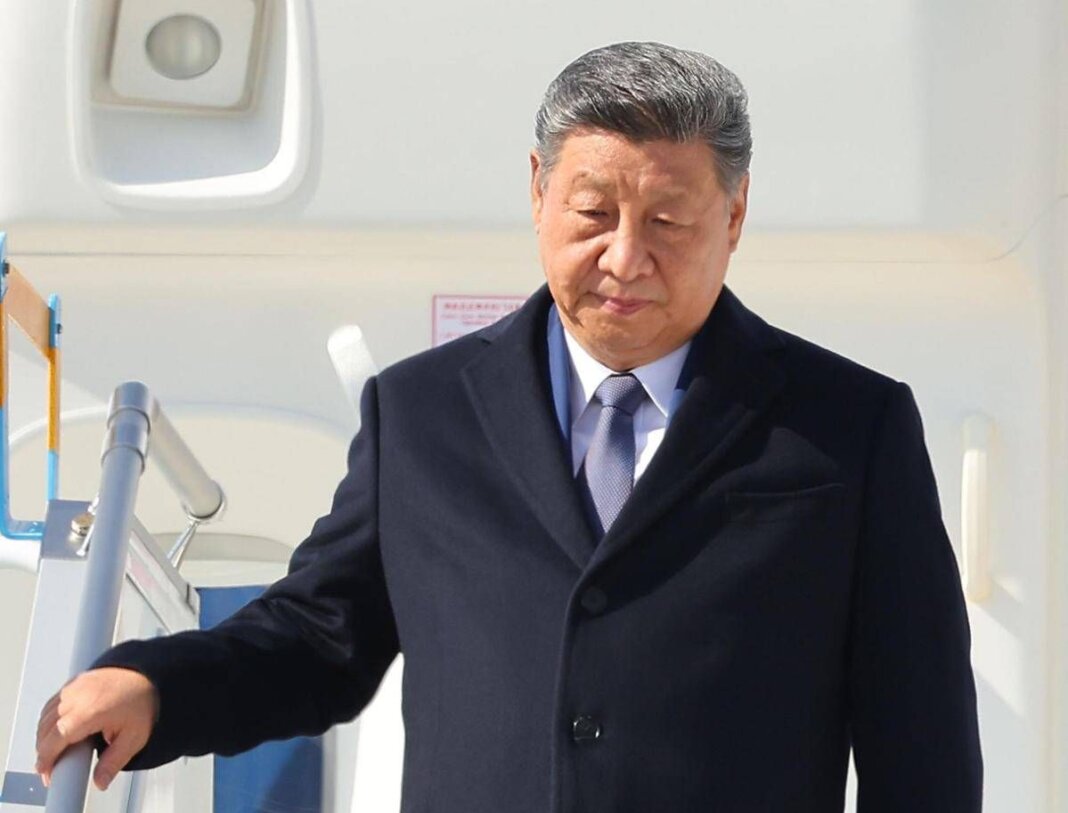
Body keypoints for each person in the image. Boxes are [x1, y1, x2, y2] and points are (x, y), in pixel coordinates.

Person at [36, 41, 983, 811]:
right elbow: (318, 635)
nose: (625, 256)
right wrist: (159, 688)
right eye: (593, 212)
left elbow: (922, 743)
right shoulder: (421, 415)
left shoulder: (849, 429)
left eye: (667, 221)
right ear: (537, 191)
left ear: (734, 215)